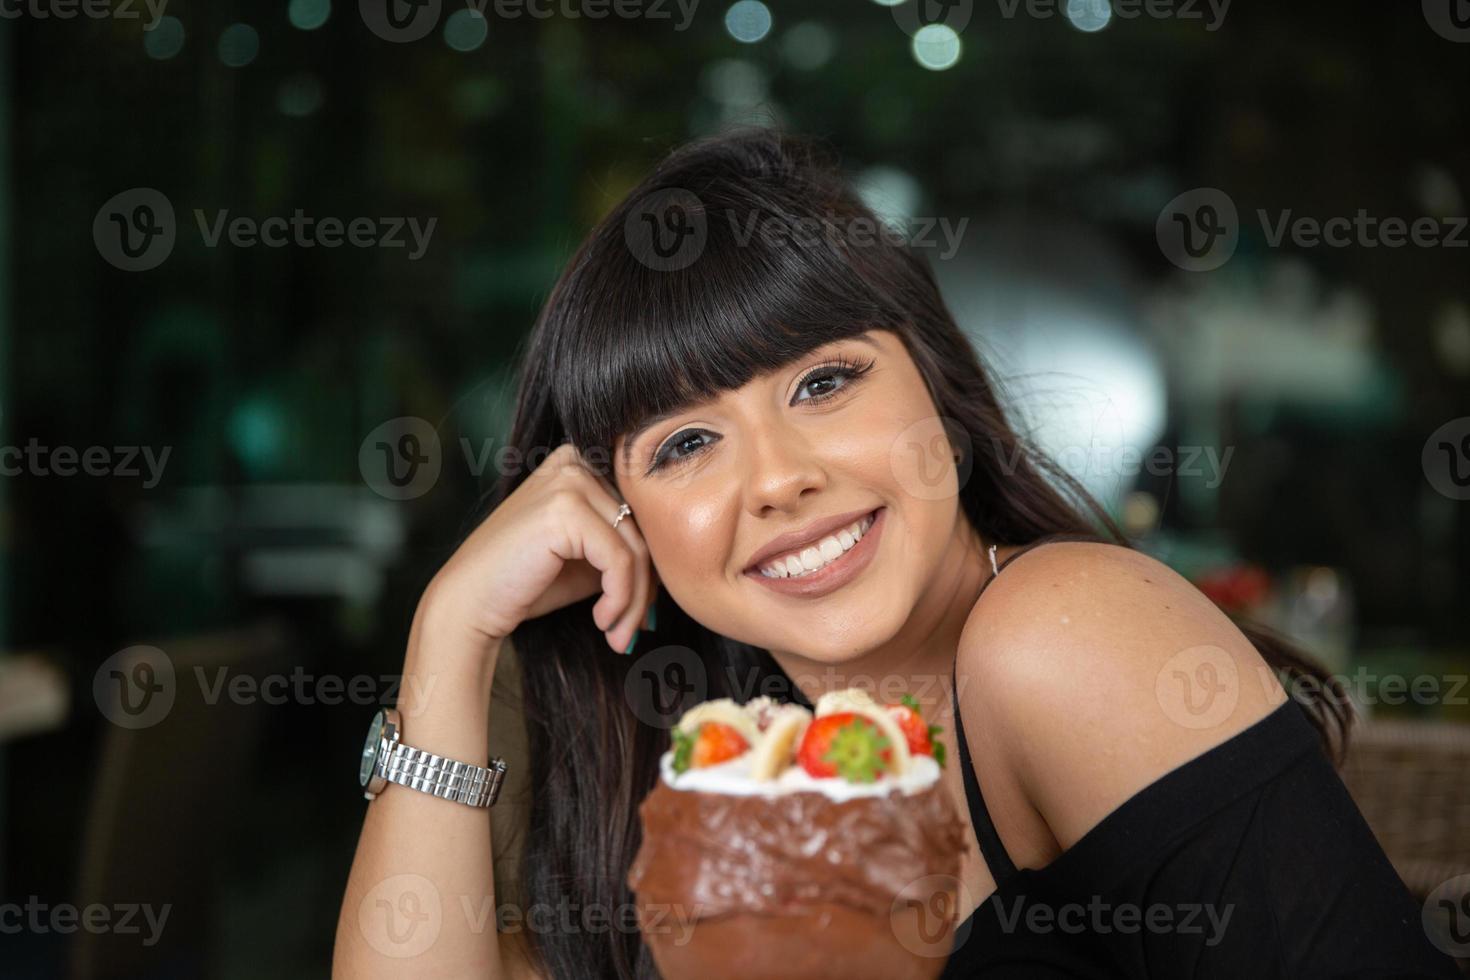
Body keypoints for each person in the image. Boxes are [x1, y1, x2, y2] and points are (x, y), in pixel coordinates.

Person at [333, 128, 1460, 979]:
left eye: (824, 381)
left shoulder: (1060, 633)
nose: (777, 478)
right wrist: (449, 630)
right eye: (685, 443)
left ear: (942, 388)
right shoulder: (728, 773)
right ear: (616, 512)